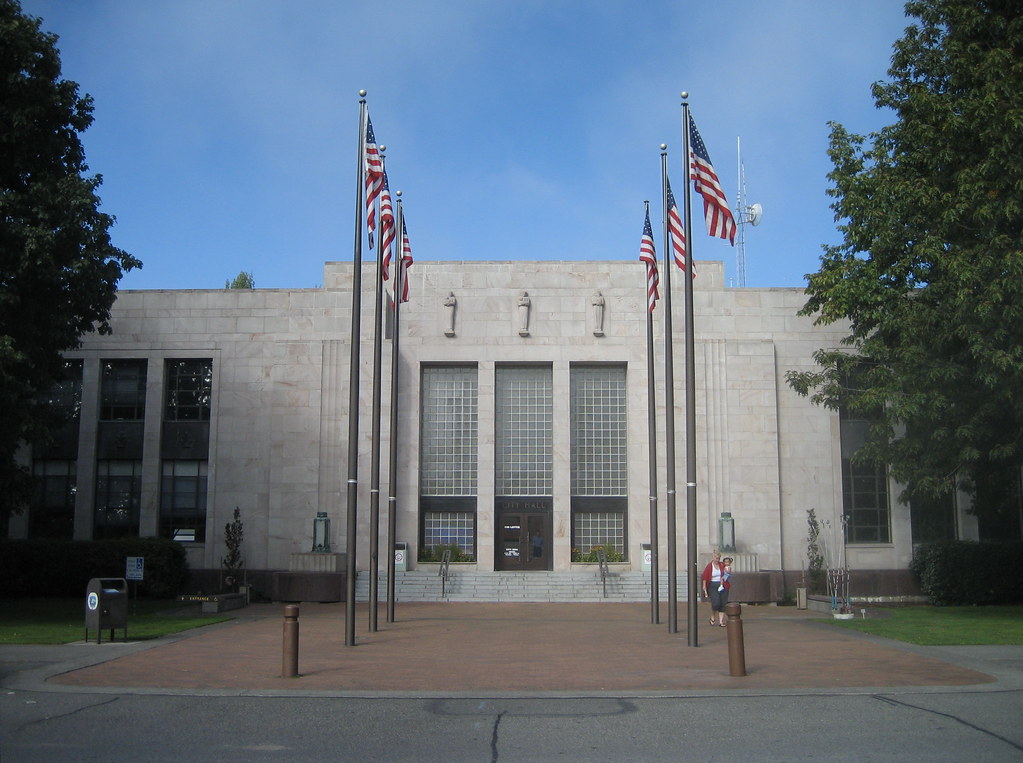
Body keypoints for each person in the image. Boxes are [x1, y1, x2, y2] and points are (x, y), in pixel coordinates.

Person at [701, 550, 729, 627]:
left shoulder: (722, 565)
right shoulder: (709, 566)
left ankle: (721, 621)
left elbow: (727, 573)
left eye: (718, 558)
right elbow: (705, 577)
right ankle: (712, 615)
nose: (717, 560)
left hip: (722, 585)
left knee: (723, 603)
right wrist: (704, 587)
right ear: (713, 558)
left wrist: (727, 572)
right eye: (716, 558)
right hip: (712, 585)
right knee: (716, 602)